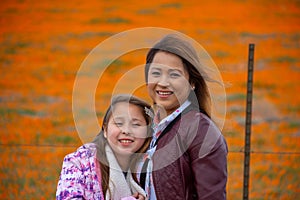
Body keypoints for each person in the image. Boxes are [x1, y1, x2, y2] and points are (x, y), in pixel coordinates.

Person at [139, 34, 228, 199]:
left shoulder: (202, 133)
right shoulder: (146, 126)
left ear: (192, 82)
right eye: (156, 73)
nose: (163, 82)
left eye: (174, 75)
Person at [56, 94, 153, 200]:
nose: (126, 130)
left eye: (136, 124)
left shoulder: (152, 166)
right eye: (119, 123)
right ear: (105, 130)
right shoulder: (78, 163)